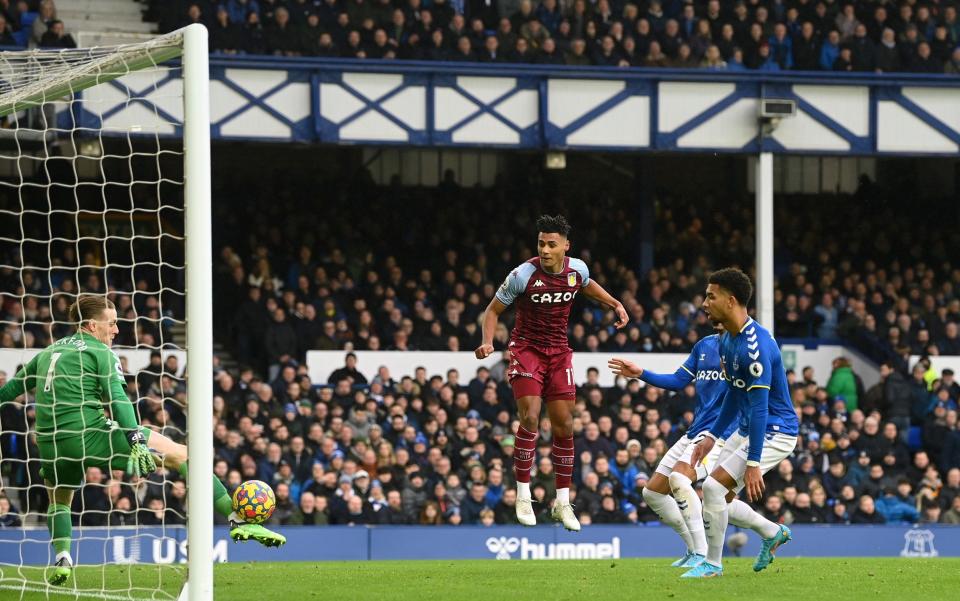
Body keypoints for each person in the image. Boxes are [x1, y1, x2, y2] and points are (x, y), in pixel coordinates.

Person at [0, 295, 286, 586]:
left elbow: (11, 389)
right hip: (89, 433)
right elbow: (119, 398)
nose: (116, 330)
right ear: (90, 325)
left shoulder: (48, 351)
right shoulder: (100, 352)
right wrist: (135, 438)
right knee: (186, 456)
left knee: (59, 500)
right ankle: (236, 518)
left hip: (49, 443)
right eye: (111, 324)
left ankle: (62, 558)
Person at [475, 214, 627, 531]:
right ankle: (522, 493)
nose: (544, 249)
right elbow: (493, 309)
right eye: (541, 243)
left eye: (551, 244)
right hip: (526, 349)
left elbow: (587, 286)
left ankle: (562, 502)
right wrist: (488, 342)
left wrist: (614, 303)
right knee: (530, 416)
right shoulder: (522, 275)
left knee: (565, 425)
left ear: (565, 247)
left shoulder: (577, 270)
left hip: (559, 353)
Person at [684, 268, 799, 578]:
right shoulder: (726, 341)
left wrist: (753, 462)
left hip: (776, 431)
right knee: (717, 497)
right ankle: (772, 532)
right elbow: (734, 396)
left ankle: (712, 565)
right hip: (748, 428)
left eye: (711, 296)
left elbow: (761, 409)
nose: (705, 303)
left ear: (731, 301)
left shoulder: (755, 346)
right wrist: (711, 437)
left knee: (711, 488)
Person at [608, 323, 739, 569]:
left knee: (679, 480)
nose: (707, 306)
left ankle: (703, 554)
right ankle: (693, 548)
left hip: (721, 434)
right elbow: (679, 381)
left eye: (713, 299)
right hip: (695, 430)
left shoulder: (744, 345)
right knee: (653, 492)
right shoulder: (704, 345)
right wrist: (641, 373)